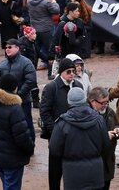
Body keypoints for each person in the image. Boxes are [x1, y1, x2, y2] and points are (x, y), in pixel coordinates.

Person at [49, 86, 110, 190]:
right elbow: (106, 146)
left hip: (73, 176)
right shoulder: (99, 119)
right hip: (95, 174)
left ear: (69, 101)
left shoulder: (62, 123)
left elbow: (54, 150)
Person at [0, 73, 35, 190]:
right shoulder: (15, 108)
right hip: (14, 157)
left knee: (7, 184)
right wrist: (30, 149)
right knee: (12, 186)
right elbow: (22, 136)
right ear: (15, 88)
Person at [39, 58, 84, 190]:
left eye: (73, 71)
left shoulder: (78, 86)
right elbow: (45, 112)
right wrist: (55, 131)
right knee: (55, 171)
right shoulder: (51, 87)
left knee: (74, 168)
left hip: (75, 135)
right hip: (57, 135)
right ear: (61, 72)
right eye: (68, 71)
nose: (72, 74)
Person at [0, 39, 37, 142]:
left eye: (10, 47)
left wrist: (18, 95)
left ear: (17, 48)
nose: (7, 50)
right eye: (6, 48)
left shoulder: (26, 62)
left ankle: (30, 143)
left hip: (23, 101)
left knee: (26, 123)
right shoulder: (3, 64)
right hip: (5, 101)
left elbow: (30, 81)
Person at [87, 87, 119, 190]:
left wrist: (117, 130)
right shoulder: (86, 115)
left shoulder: (109, 111)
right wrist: (104, 136)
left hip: (108, 161)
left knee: (106, 185)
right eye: (103, 103)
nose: (105, 105)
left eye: (107, 102)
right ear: (92, 101)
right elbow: (87, 137)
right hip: (94, 161)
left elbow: (116, 124)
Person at [27, 0, 60, 77]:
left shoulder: (29, 1)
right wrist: (54, 2)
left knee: (35, 51)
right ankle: (51, 73)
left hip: (35, 29)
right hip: (46, 29)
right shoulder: (46, 2)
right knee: (51, 50)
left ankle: (32, 71)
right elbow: (56, 10)